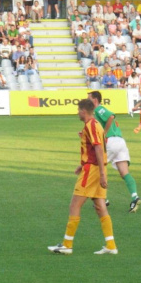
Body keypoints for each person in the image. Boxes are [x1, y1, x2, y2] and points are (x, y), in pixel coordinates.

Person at [48, 98, 118, 255]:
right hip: (94, 167)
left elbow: (99, 148)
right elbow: (95, 148)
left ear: (84, 111)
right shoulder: (95, 125)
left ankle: (67, 245)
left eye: (78, 110)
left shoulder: (91, 125)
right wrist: (84, 163)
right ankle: (111, 245)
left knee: (74, 205)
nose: (77, 113)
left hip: (92, 171)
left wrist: (100, 172)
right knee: (100, 207)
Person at [88, 91, 141, 213]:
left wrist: (104, 133)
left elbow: (111, 116)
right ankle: (134, 197)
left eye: (89, 98)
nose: (87, 101)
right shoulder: (96, 112)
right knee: (124, 172)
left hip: (110, 142)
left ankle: (103, 199)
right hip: (120, 142)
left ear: (95, 100)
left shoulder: (99, 109)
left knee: (96, 169)